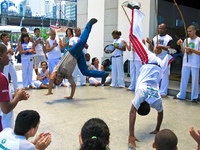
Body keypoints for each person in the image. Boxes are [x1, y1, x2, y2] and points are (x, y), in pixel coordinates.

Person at [121, 2, 174, 148]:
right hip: (149, 61)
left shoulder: (155, 99)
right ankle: (136, 9)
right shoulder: (141, 92)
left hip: (158, 67)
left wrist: (158, 128)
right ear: (140, 105)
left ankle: (136, 12)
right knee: (132, 36)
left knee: (135, 36)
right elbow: (132, 112)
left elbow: (161, 113)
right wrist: (131, 134)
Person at [45, 18, 109, 99]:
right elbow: (73, 85)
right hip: (78, 56)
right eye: (59, 82)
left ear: (56, 77)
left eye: (58, 80)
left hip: (72, 52)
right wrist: (71, 96)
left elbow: (51, 78)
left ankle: (89, 25)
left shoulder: (56, 70)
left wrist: (50, 91)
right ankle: (103, 74)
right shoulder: (67, 76)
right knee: (85, 71)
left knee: (82, 42)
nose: (60, 81)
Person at [0, 43, 30, 131]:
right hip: (3, 125)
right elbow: (5, 108)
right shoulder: (2, 78)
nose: (8, 56)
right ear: (0, 56)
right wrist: (17, 98)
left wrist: (13, 96)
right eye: (6, 54)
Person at [174, 25, 200, 103]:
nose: (189, 33)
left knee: (195, 80)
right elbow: (183, 52)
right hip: (186, 62)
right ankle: (181, 95)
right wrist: (181, 44)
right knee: (183, 79)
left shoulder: (198, 40)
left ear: (194, 31)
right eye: (188, 31)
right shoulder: (186, 40)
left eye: (190, 31)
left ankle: (194, 97)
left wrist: (192, 50)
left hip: (195, 63)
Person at [146, 23, 173, 98]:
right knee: (155, 74)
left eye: (162, 28)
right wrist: (150, 43)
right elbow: (152, 48)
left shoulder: (169, 38)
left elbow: (170, 48)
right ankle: (154, 90)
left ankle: (163, 92)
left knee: (164, 75)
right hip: (156, 58)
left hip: (164, 58)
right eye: (159, 28)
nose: (160, 30)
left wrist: (161, 47)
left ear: (165, 29)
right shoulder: (155, 38)